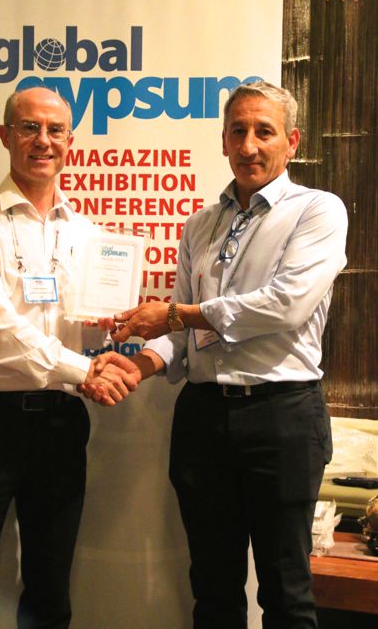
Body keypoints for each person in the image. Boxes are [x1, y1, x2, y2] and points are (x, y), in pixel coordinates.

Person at [83, 82, 348, 628]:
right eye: (237, 131)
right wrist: (138, 364)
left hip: (281, 418)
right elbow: (181, 338)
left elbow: (284, 305)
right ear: (223, 141)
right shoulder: (200, 224)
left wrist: (175, 314)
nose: (249, 145)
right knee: (212, 589)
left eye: (264, 131)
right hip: (203, 420)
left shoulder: (317, 211)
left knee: (287, 594)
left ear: (292, 141)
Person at [0, 86, 138, 628]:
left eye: (56, 130)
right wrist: (83, 369)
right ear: (5, 136)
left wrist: (112, 325)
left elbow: (84, 322)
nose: (43, 141)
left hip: (59, 424)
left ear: (70, 142)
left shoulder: (86, 233)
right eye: (29, 127)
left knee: (51, 589)